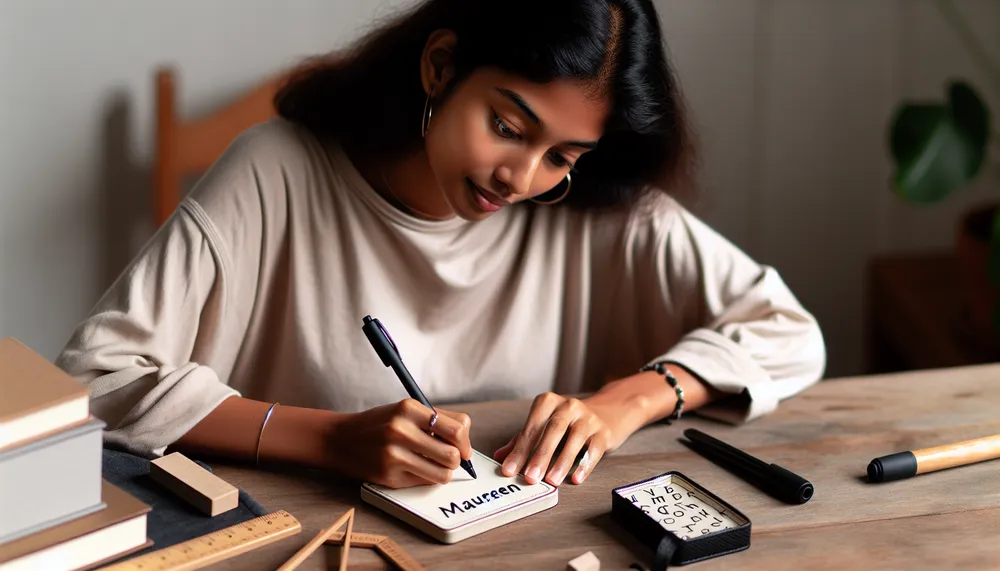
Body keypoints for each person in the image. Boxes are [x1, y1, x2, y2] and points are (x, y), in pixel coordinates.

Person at [56, 0, 825, 491]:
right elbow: (92, 378)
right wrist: (331, 439)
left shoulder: (592, 207)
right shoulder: (277, 171)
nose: (521, 177)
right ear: (440, 66)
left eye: (562, 154)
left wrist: (626, 401)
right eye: (509, 127)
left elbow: (787, 330)